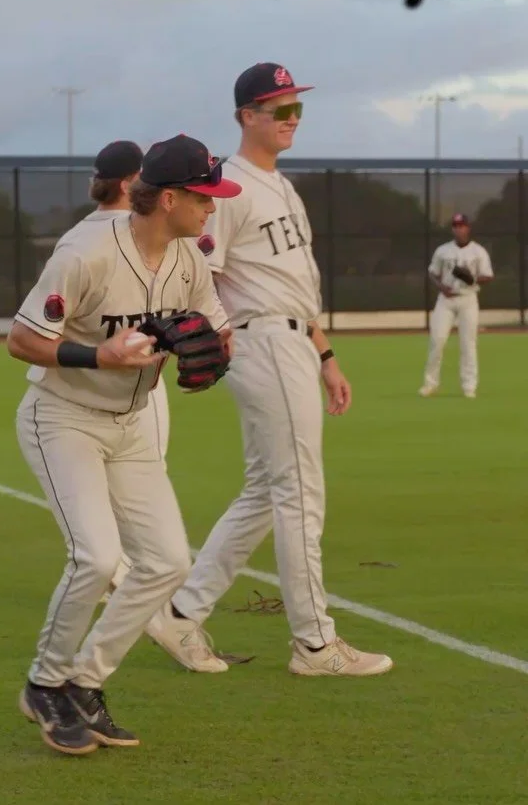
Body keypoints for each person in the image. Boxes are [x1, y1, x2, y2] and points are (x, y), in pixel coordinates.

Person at [144, 62, 393, 677]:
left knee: (265, 491)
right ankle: (315, 644)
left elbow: (295, 286)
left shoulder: (280, 185)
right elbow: (198, 270)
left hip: (293, 340)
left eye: (295, 108)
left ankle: (180, 614)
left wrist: (326, 353)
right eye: (277, 109)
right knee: (300, 492)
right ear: (245, 117)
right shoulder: (228, 187)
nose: (289, 119)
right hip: (261, 341)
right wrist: (222, 338)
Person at [6, 134, 238, 756]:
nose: (212, 206)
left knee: (167, 563)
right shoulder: (86, 253)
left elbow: (215, 325)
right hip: (63, 418)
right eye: (204, 196)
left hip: (131, 426)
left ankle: (85, 681)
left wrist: (211, 353)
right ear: (168, 198)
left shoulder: (188, 257)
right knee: (97, 558)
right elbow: (21, 340)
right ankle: (44, 682)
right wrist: (99, 353)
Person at [78, 140, 171, 600]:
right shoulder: (129, 233)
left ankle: (105, 573)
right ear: (130, 183)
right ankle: (128, 576)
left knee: (102, 488)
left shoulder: (78, 232)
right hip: (130, 372)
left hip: (95, 379)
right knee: (143, 475)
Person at [419, 213, 494, 399]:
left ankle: (469, 386)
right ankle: (430, 384)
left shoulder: (478, 252)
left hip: (468, 299)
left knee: (468, 343)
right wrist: (441, 287)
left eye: (461, 225)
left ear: (468, 228)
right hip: (445, 300)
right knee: (437, 340)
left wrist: (473, 279)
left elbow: (488, 275)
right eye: (455, 225)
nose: (458, 229)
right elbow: (433, 272)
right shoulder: (443, 251)